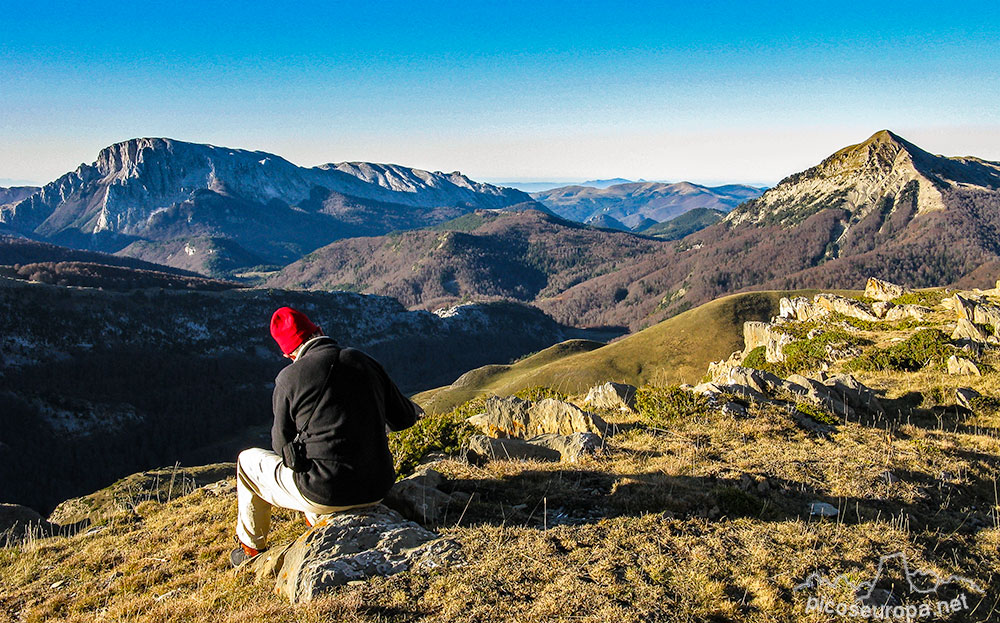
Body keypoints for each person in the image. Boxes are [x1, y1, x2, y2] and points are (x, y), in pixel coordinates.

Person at [230, 306, 421, 567]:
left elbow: (282, 449)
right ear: (318, 330)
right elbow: (404, 419)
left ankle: (250, 548)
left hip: (324, 493)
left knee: (247, 461)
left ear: (287, 353)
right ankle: (319, 518)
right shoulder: (364, 360)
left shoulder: (289, 378)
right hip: (378, 486)